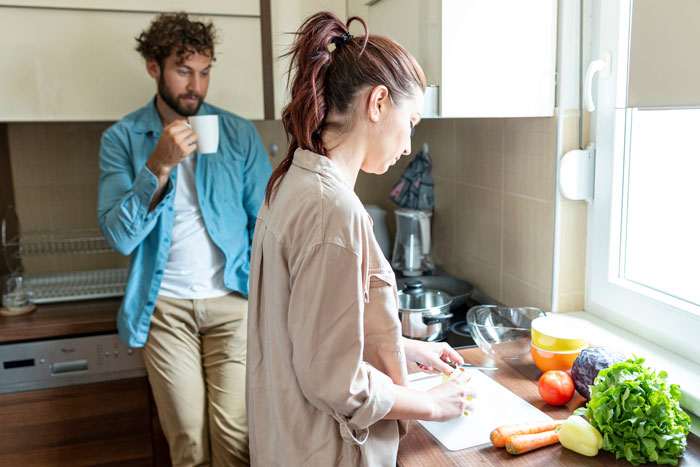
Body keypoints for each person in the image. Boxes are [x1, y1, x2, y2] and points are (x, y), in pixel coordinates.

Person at [246, 11, 476, 466]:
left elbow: (310, 332)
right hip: (325, 451)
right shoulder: (334, 210)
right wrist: (437, 405)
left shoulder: (293, 179)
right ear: (377, 103)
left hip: (286, 440)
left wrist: (404, 348)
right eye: (410, 122)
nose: (409, 145)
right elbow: (337, 381)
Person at [97, 12, 271, 467]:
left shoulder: (238, 133)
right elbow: (119, 236)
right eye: (183, 70)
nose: (196, 84)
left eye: (205, 71)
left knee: (236, 438)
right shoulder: (122, 138)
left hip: (232, 303)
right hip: (165, 308)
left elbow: (267, 223)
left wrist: (261, 287)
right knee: (189, 443)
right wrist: (159, 164)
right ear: (155, 68)